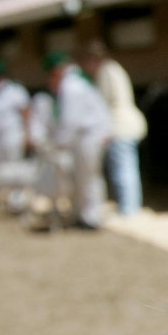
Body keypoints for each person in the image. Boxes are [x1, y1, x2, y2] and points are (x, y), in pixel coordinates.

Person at [77, 40, 148, 218]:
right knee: (126, 168)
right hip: (123, 124)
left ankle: (128, 209)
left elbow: (104, 105)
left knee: (123, 170)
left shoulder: (107, 72)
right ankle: (128, 206)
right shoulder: (112, 69)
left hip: (120, 126)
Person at [43, 52, 112, 230]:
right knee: (84, 178)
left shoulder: (71, 85)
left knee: (88, 178)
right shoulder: (77, 81)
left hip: (89, 136)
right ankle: (83, 214)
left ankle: (91, 217)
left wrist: (58, 143)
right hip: (88, 136)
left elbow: (70, 120)